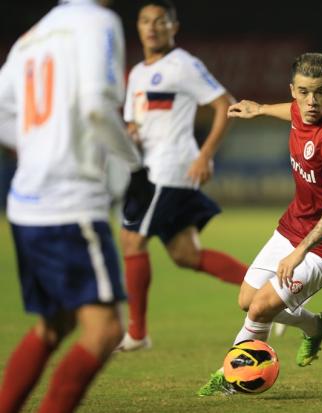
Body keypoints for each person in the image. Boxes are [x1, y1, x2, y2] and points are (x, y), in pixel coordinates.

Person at [0, 0, 145, 412]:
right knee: (105, 331)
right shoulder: (98, 22)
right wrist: (134, 163)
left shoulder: (33, 36)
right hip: (70, 203)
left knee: (53, 325)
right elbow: (97, 105)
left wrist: (40, 146)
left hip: (25, 204)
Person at [197, 52, 322, 396]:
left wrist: (299, 252)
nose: (311, 101)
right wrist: (259, 109)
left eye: (320, 92)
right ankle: (316, 326)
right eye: (303, 92)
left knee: (261, 308)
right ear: (293, 90)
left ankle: (234, 378)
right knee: (248, 299)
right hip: (296, 223)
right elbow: (292, 112)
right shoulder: (301, 109)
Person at [116, 0, 248, 352]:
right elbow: (134, 121)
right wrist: (131, 132)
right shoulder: (137, 72)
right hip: (148, 169)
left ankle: (137, 334)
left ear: (173, 27)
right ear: (138, 26)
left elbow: (225, 104)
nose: (152, 27)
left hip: (170, 168)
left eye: (160, 21)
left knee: (131, 241)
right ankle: (272, 292)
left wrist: (205, 154)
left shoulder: (184, 64)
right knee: (185, 254)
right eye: (145, 20)